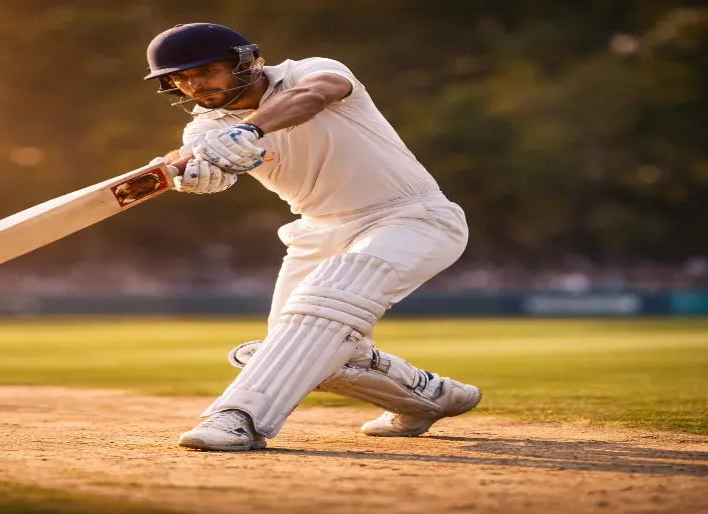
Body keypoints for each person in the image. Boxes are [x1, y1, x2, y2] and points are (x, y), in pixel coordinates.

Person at [144, 23, 482, 451]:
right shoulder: (204, 129)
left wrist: (248, 131)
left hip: (412, 216)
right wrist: (192, 173)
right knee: (303, 355)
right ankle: (429, 396)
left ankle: (237, 418)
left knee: (321, 309)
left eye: (207, 69)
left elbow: (313, 97)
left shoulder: (310, 72)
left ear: (246, 60)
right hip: (315, 234)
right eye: (181, 78)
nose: (195, 84)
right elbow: (206, 164)